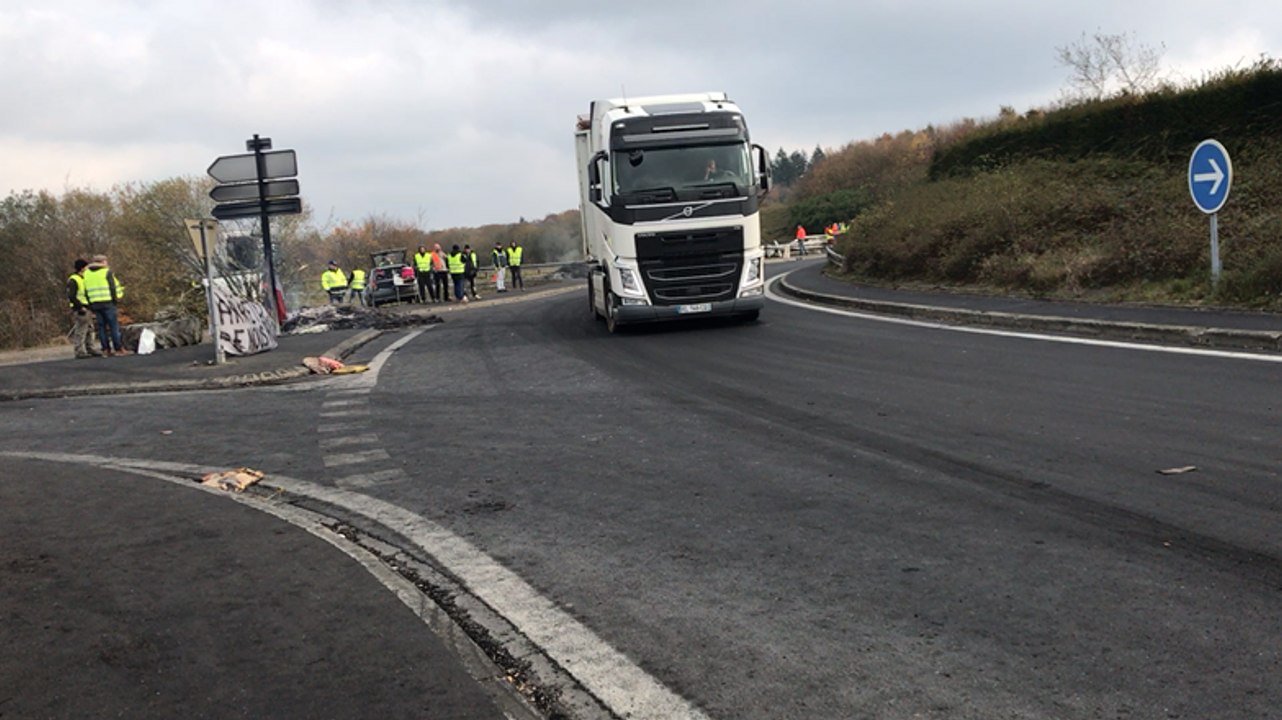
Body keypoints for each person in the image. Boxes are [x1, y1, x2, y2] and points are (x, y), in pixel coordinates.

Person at [83, 254, 128, 357]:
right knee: (113, 326)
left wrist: (90, 303)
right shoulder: (106, 272)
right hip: (107, 302)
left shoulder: (87, 274)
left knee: (101, 327)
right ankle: (118, 348)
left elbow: (85, 290)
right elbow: (112, 287)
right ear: (103, 262)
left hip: (95, 303)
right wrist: (115, 300)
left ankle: (105, 349)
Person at [66, 258, 102, 358]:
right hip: (80, 309)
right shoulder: (74, 279)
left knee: (90, 329)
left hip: (87, 307)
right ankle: (79, 351)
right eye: (86, 267)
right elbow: (72, 296)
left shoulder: (84, 278)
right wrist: (80, 307)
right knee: (81, 330)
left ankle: (90, 348)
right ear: (82, 268)